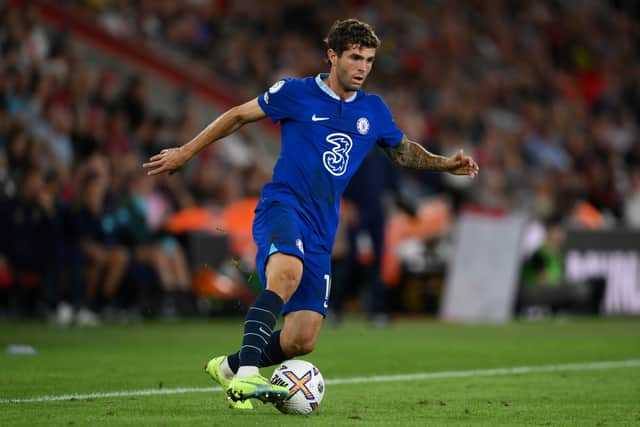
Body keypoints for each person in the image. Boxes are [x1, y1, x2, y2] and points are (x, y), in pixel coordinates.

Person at [143, 18, 478, 409]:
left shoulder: (373, 110)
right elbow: (236, 115)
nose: (363, 67)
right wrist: (185, 152)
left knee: (302, 338)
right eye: (355, 57)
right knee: (287, 273)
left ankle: (231, 367)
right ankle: (249, 378)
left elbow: (402, 149)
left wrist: (443, 164)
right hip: (282, 206)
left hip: (322, 225)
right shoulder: (295, 92)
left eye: (369, 60)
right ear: (333, 56)